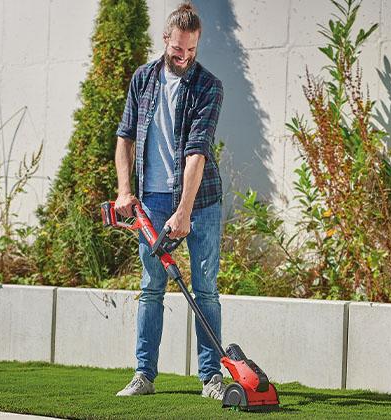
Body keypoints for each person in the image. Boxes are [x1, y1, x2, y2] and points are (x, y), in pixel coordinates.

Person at [112, 2, 225, 400]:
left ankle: (212, 378)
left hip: (201, 202)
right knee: (151, 287)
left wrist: (184, 212)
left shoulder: (208, 86)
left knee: (205, 288)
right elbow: (125, 136)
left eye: (191, 51)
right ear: (165, 40)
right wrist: (126, 191)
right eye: (178, 51)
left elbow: (197, 151)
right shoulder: (143, 79)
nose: (184, 58)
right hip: (152, 201)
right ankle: (144, 375)